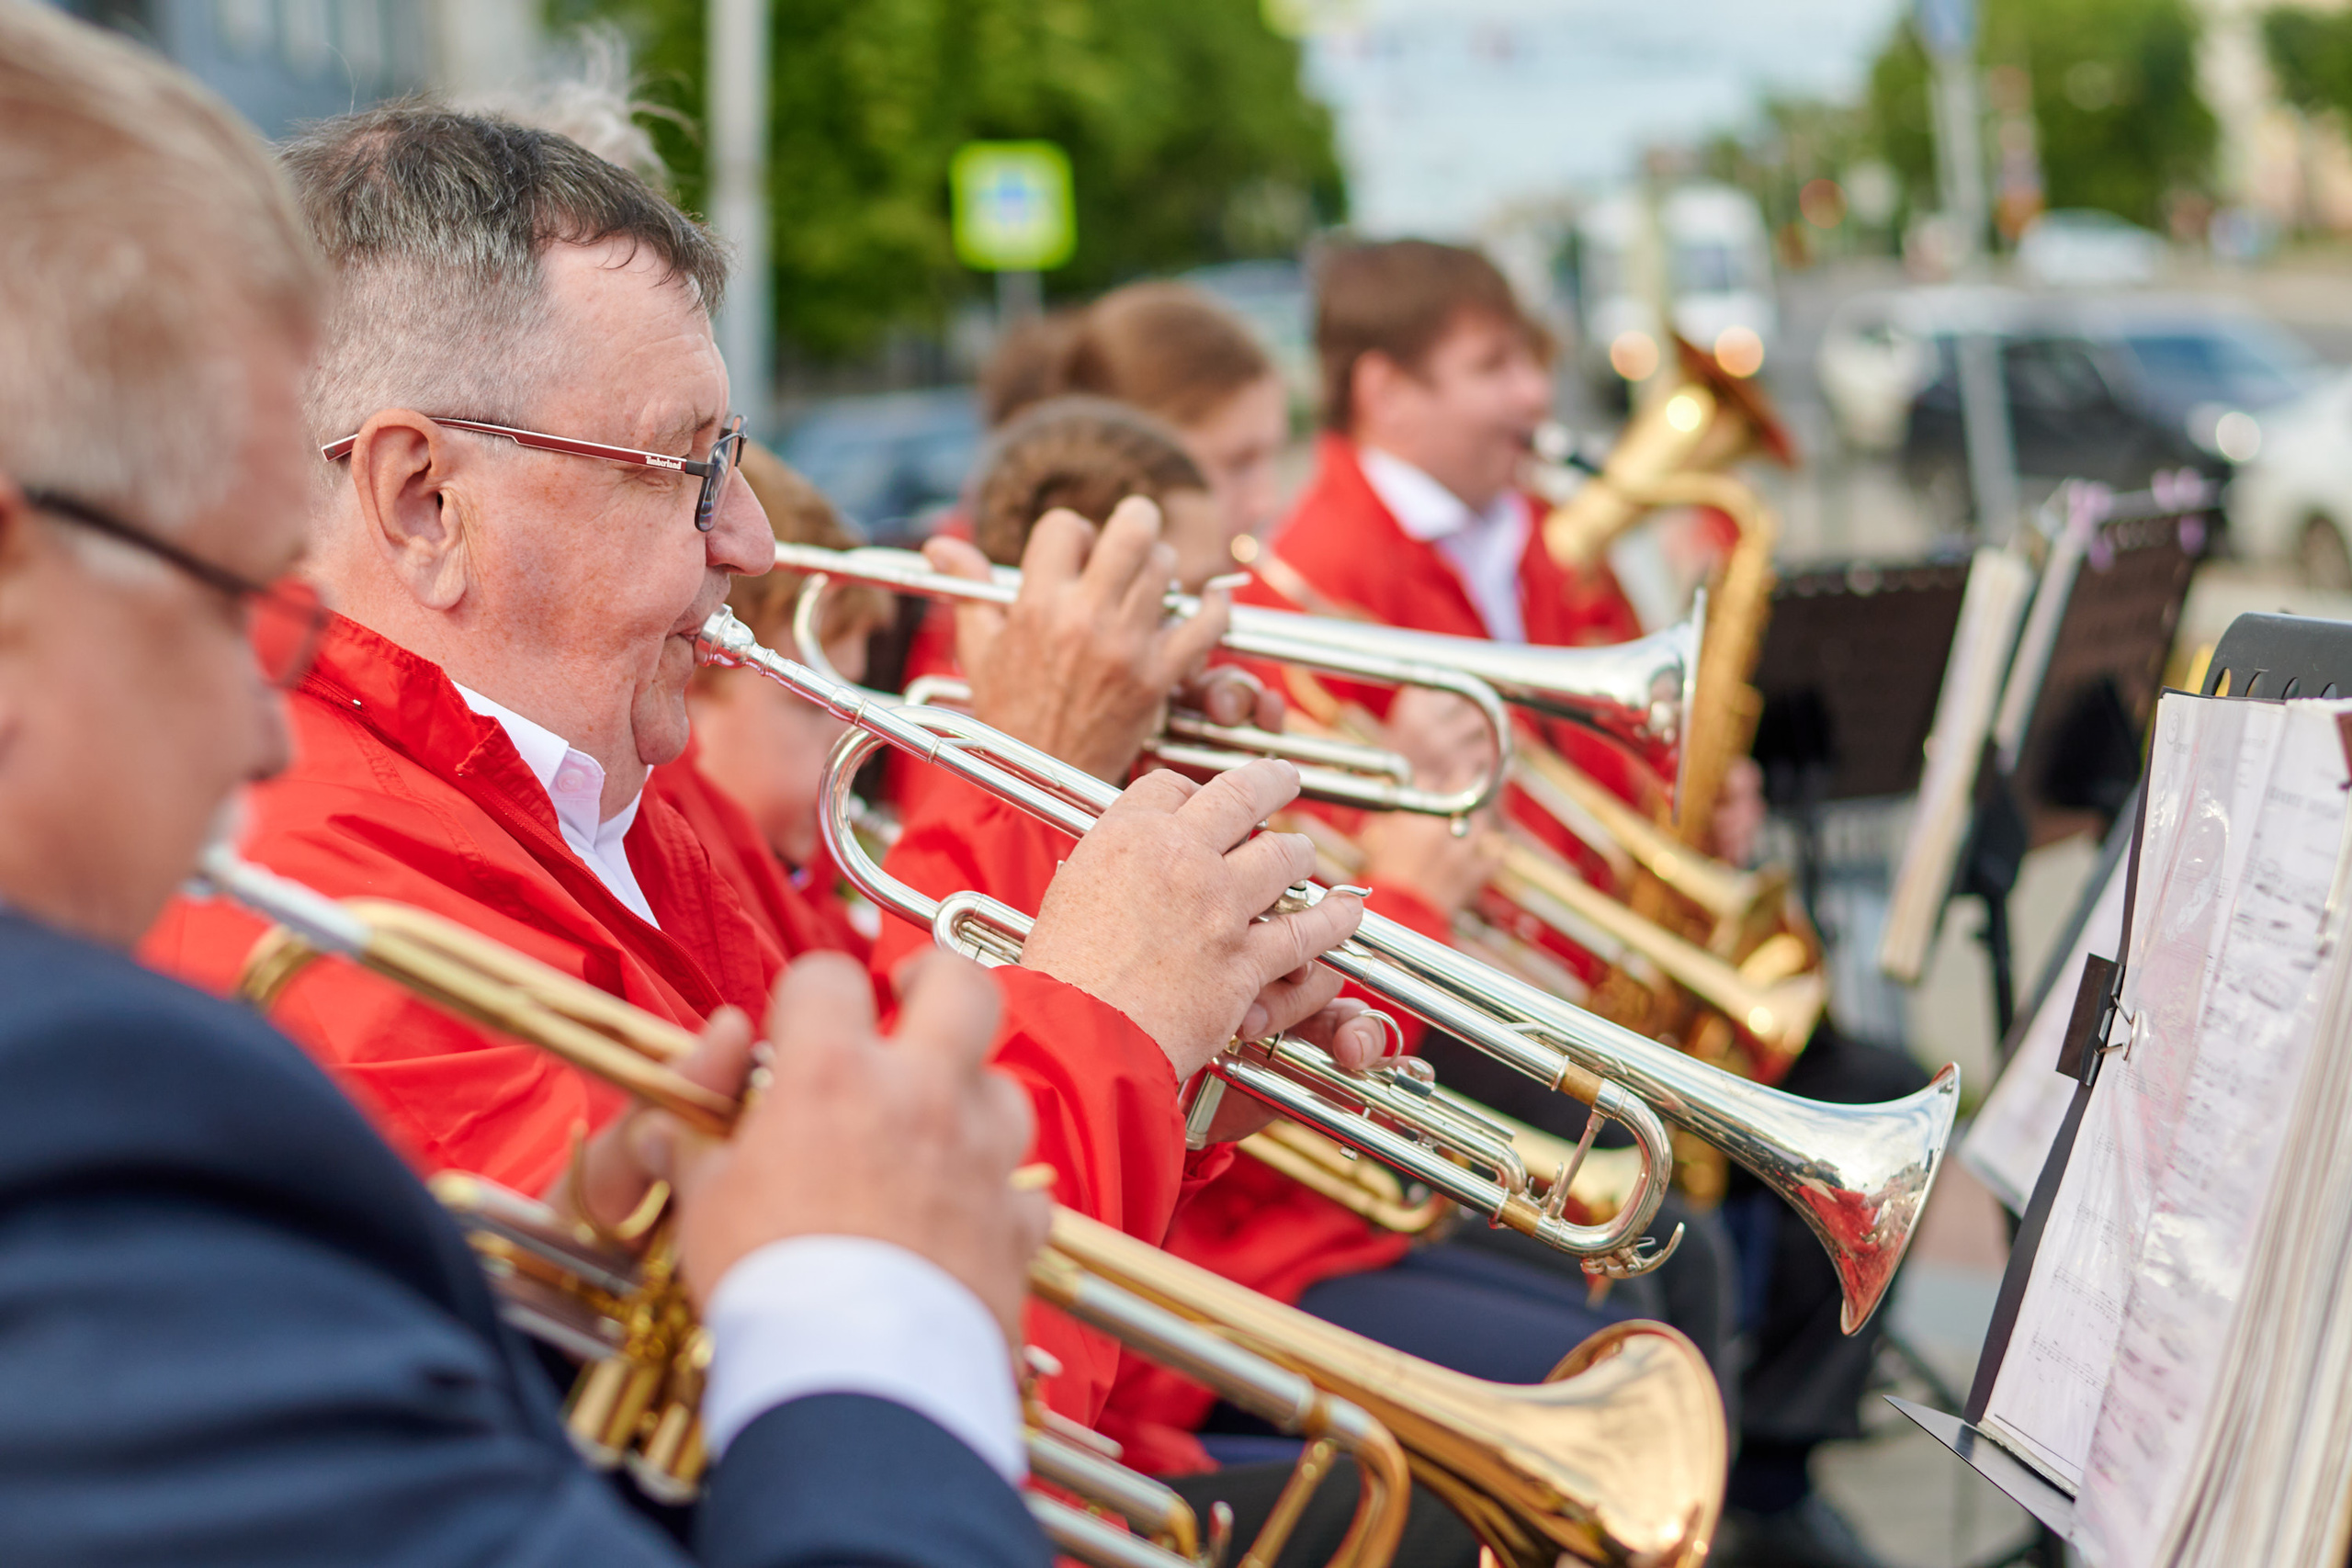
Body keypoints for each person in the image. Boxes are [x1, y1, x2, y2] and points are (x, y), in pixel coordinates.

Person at [0, 7, 1052, 1563]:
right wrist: (862, 1308)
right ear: (421, 497)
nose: (266, 727)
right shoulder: (103, 1102)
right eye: (234, 592)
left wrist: (567, 1299)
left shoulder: (629, 784)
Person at [1271, 236, 1925, 1568]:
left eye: (1531, 364)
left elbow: (1616, 750)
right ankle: (1718, 1497)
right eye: (1492, 367)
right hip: (1482, 997)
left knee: (1873, 1084)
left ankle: (1770, 1477)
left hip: (1601, 963)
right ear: (1383, 390)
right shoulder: (1321, 567)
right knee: (1681, 1236)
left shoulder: (1538, 535)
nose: (1532, 400)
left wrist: (1697, 807)